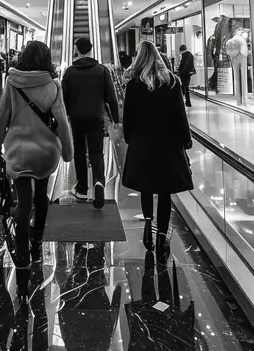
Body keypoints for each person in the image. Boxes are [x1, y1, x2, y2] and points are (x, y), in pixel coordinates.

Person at [0, 41, 73, 296]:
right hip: (46, 152)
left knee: (23, 202)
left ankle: (24, 254)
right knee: (42, 195)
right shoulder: (53, 84)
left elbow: (2, 115)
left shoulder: (12, 83)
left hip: (19, 151)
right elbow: (61, 120)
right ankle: (38, 243)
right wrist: (68, 151)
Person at [122, 40, 193, 255]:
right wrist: (185, 140)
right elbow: (180, 115)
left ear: (139, 58)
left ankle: (147, 224)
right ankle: (162, 235)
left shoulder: (134, 83)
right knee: (164, 190)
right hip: (167, 142)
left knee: (146, 186)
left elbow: (128, 116)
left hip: (142, 141)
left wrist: (129, 138)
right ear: (158, 57)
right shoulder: (172, 82)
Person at [62, 35, 119, 208]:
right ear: (91, 49)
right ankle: (99, 182)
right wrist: (116, 119)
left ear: (77, 50)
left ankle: (81, 189)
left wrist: (64, 119)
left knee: (79, 152)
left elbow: (64, 99)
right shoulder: (102, 70)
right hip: (96, 117)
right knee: (96, 152)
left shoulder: (70, 72)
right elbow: (112, 97)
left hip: (77, 119)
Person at [177, 43, 196, 108]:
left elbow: (185, 64)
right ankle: (186, 101)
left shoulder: (186, 55)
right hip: (187, 73)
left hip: (185, 73)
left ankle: (187, 101)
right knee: (185, 86)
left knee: (185, 86)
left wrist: (181, 71)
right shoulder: (188, 54)